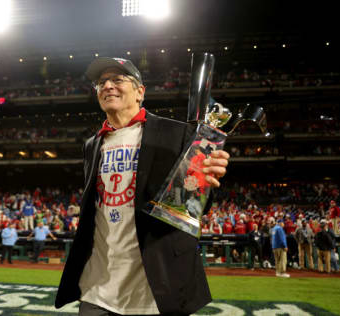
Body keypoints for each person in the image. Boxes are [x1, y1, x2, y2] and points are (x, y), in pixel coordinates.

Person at [55, 57, 230, 315]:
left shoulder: (176, 133)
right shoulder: (92, 144)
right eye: (101, 82)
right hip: (98, 287)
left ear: (140, 92)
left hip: (154, 287)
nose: (107, 86)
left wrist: (207, 179)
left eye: (117, 79)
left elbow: (192, 206)